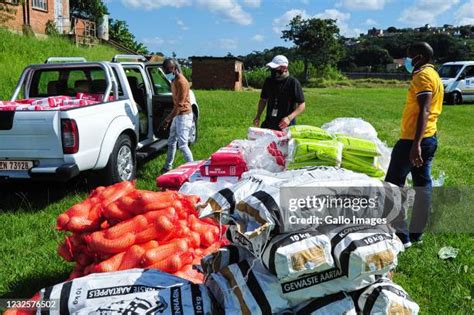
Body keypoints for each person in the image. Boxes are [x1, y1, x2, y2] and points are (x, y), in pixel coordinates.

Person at [385, 42, 443, 248]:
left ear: (418, 57)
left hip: (413, 140)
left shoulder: (423, 76)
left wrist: (415, 144)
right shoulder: (434, 74)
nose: (406, 60)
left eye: (409, 56)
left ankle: (401, 235)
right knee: (422, 186)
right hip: (429, 137)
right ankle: (416, 234)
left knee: (392, 185)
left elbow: (424, 110)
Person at [253, 55, 306, 130]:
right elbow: (263, 100)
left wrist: (288, 118)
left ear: (285, 68)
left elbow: (302, 105)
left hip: (286, 125)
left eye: (276, 67)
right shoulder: (268, 81)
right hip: (269, 122)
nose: (273, 69)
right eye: (272, 67)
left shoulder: (293, 83)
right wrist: (258, 116)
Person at [160, 58, 194, 173]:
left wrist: (167, 119)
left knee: (183, 145)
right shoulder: (173, 80)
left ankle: (193, 169)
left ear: (174, 69)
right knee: (171, 141)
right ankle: (167, 167)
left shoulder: (182, 82)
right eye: (164, 71)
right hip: (177, 115)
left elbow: (180, 105)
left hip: (184, 115)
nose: (166, 73)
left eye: (167, 71)